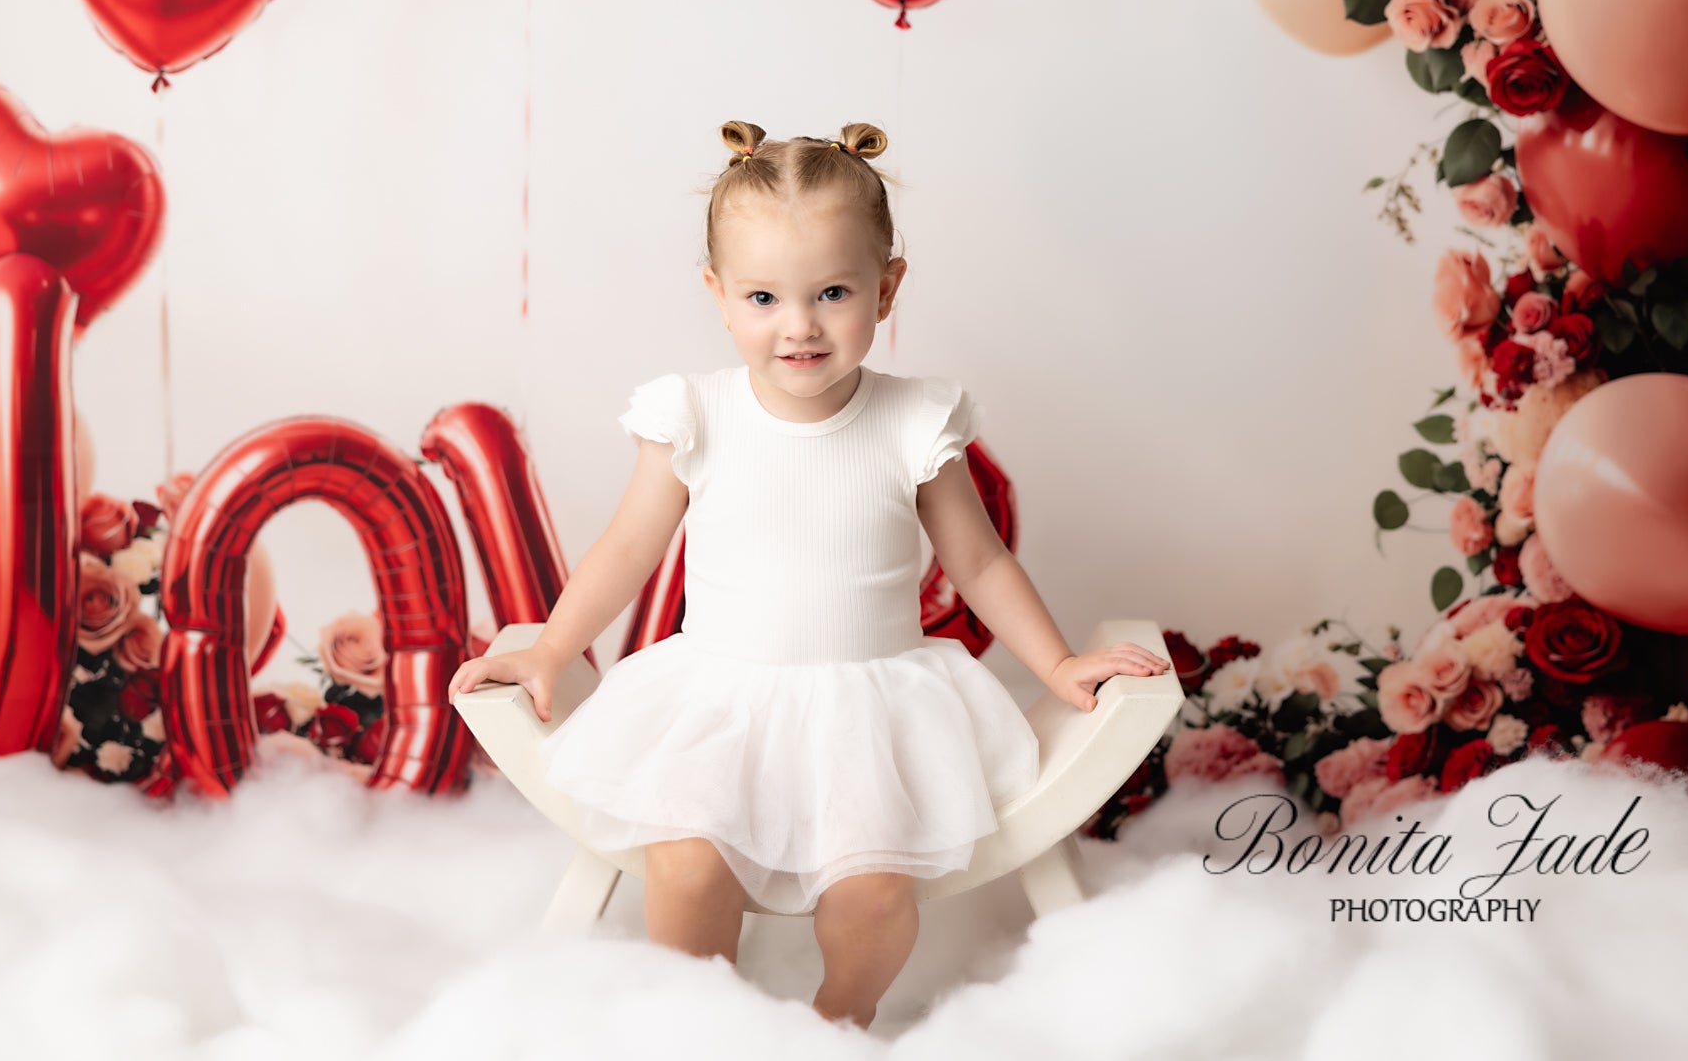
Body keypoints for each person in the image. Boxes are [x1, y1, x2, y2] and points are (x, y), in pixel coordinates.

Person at [448, 119, 1169, 1029]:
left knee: (873, 894)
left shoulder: (914, 419)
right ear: (717, 295)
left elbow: (978, 560)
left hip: (872, 709)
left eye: (833, 292)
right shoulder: (695, 414)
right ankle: (701, 1022)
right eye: (763, 298)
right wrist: (554, 647)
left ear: (888, 286)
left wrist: (1061, 666)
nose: (799, 327)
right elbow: (628, 547)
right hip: (719, 699)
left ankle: (837, 1021)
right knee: (687, 866)